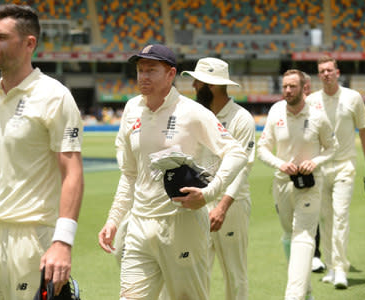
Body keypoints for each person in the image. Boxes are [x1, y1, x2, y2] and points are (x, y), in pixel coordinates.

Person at [98, 44, 248, 300]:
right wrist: (113, 219)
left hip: (182, 225)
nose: (143, 76)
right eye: (140, 70)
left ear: (170, 74)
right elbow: (129, 174)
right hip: (139, 226)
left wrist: (209, 193)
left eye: (151, 70)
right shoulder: (132, 109)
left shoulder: (192, 112)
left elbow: (236, 153)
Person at [0, 4, 84, 299]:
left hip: (32, 240)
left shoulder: (54, 96)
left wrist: (63, 242)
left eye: (1, 37)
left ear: (29, 44)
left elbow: (72, 172)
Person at [257, 69, 337, 300]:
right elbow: (262, 148)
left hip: (310, 185)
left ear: (304, 89)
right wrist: (279, 164)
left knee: (303, 235)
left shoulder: (318, 116)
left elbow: (332, 148)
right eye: (284, 86)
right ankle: (307, 291)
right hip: (282, 183)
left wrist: (315, 162)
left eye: (292, 86)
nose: (287, 91)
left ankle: (294, 295)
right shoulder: (275, 111)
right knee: (289, 234)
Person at [181, 57, 255, 300]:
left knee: (235, 272)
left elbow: (242, 168)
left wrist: (222, 206)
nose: (193, 87)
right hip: (200, 202)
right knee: (195, 270)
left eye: (197, 82)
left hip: (230, 205)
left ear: (210, 85)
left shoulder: (241, 118)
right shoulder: (196, 115)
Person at [306, 56, 365, 289]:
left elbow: (364, 133)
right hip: (320, 167)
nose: (326, 74)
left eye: (329, 70)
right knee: (325, 218)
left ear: (338, 72)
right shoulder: (312, 100)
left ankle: (340, 269)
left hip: (345, 165)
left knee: (340, 217)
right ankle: (330, 265)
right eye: (322, 71)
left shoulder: (353, 98)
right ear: (319, 75)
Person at [301, 72, 326, 273]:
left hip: (318, 170)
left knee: (317, 215)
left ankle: (316, 256)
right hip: (293, 173)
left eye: (308, 87)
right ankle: (304, 256)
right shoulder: (287, 108)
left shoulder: (317, 109)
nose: (306, 91)